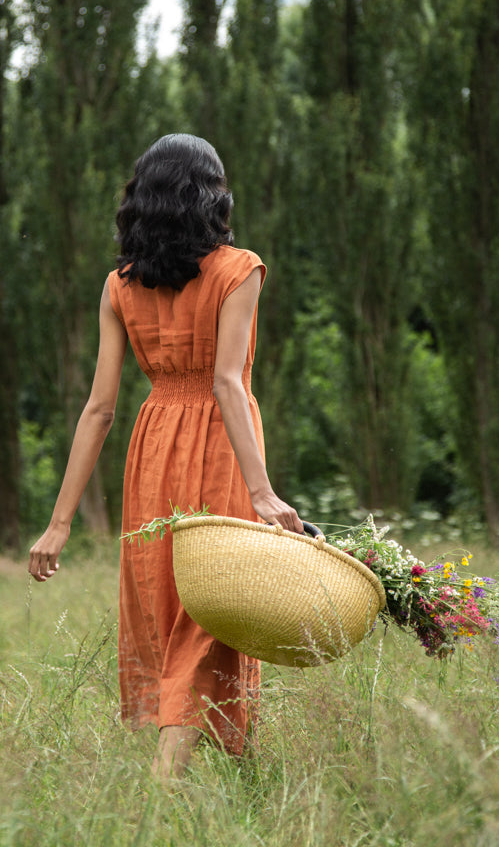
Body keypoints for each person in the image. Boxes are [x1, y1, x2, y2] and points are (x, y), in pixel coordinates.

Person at [28, 133, 302, 782]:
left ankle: (239, 780)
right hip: (218, 451)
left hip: (152, 454)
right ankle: (164, 784)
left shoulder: (121, 286)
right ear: (210, 195)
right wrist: (262, 492)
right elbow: (227, 383)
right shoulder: (240, 270)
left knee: (184, 607)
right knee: (216, 611)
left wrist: (59, 522)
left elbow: (99, 409)